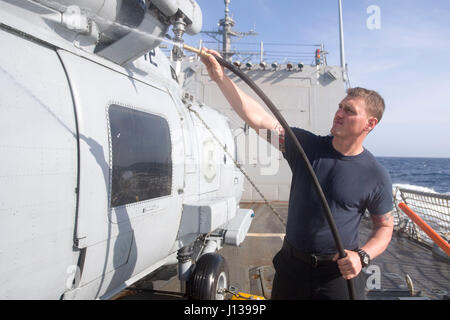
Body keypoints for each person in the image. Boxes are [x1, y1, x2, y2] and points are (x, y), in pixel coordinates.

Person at [200, 49, 394, 300]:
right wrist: (219, 77)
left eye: (349, 110)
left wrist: (363, 256)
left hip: (337, 277)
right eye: (340, 107)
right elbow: (259, 120)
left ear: (370, 124)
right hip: (292, 270)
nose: (339, 113)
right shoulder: (305, 147)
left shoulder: (375, 175)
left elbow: (385, 227)